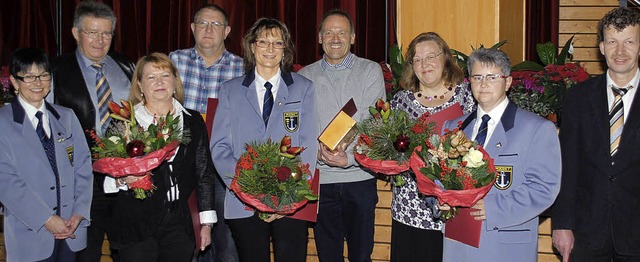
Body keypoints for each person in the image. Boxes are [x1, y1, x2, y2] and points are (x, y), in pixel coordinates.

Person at [210, 18, 317, 262]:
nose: (270, 49)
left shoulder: (304, 88)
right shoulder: (230, 90)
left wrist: (286, 197)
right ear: (251, 47)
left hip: (290, 201)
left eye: (277, 43)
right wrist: (249, 188)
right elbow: (220, 147)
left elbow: (308, 145)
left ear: (285, 49)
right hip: (243, 201)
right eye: (263, 42)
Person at [441, 48, 561, 261]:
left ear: (507, 82)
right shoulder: (452, 128)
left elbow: (544, 189)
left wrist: (494, 208)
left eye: (492, 77)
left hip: (505, 246)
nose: (483, 84)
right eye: (477, 77)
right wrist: (441, 201)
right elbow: (438, 178)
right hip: (458, 245)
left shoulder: (537, 129)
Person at [103, 53, 216, 262]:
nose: (160, 82)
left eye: (165, 75)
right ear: (139, 85)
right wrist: (122, 179)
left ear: (175, 81)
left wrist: (206, 224)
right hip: (135, 222)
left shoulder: (193, 121)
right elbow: (108, 171)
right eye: (151, 77)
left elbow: (203, 173)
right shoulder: (124, 121)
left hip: (179, 223)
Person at [552, 7, 640, 262]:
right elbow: (567, 166)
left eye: (629, 42)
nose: (620, 51)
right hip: (586, 231)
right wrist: (562, 224)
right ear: (601, 47)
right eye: (612, 42)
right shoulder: (577, 97)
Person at [297, 9, 385, 262]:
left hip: (359, 178)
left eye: (342, 32)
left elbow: (374, 125)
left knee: (361, 255)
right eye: (329, 32)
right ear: (320, 38)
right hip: (320, 181)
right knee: (327, 255)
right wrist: (318, 154)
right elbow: (301, 129)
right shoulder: (305, 77)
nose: (335, 38)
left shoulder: (370, 71)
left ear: (353, 37)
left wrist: (349, 159)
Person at [50, 2, 135, 261]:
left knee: (129, 248)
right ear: (76, 33)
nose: (100, 40)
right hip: (82, 180)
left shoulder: (126, 66)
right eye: (92, 32)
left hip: (124, 179)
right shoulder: (55, 71)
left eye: (106, 33)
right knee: (87, 252)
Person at [0, 48, 93, 261]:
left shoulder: (66, 116)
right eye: (29, 77)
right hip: (31, 233)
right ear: (15, 82)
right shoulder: (3, 122)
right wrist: (47, 219)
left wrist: (79, 212)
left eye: (43, 76)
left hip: (71, 229)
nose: (38, 83)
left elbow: (83, 166)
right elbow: (6, 182)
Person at [389, 32, 475, 262]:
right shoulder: (400, 102)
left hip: (454, 208)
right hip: (409, 208)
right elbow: (389, 151)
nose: (424, 64)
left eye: (430, 56)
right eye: (417, 59)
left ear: (445, 58)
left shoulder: (468, 97)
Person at [169, 4, 243, 262]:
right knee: (187, 239)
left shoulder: (242, 69)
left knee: (227, 245)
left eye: (216, 25)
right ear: (192, 28)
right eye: (202, 24)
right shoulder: (174, 62)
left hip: (224, 167)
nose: (208, 30)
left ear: (227, 31)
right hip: (183, 166)